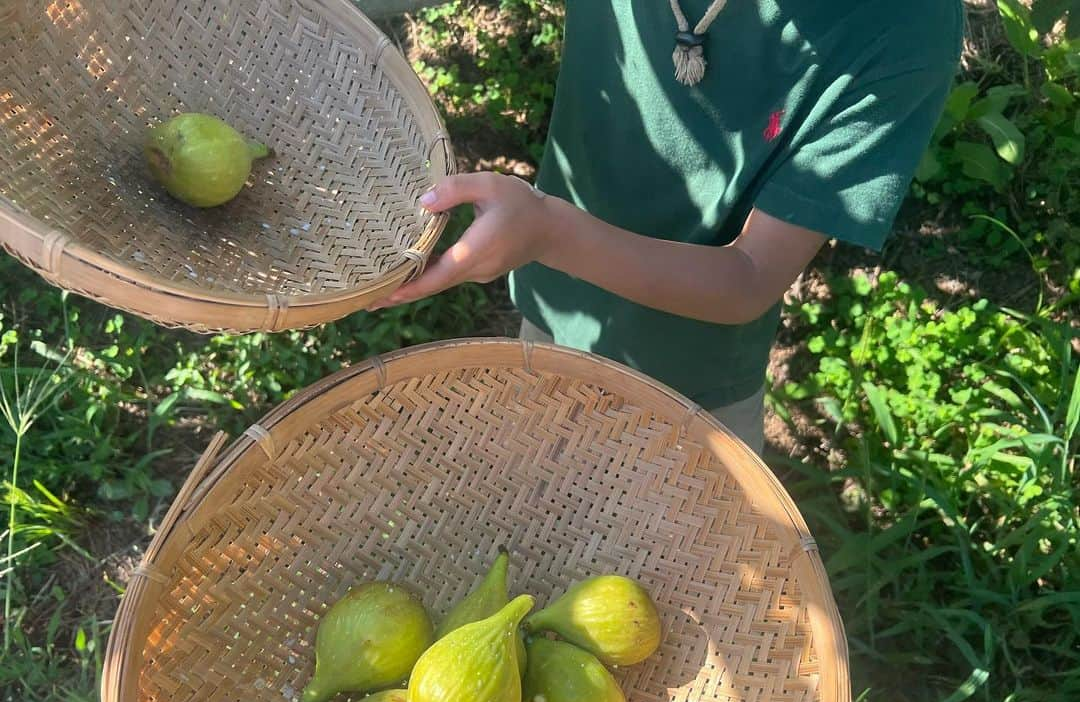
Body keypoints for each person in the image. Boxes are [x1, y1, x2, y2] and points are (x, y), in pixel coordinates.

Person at [367, 0, 964, 455]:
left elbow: (750, 275)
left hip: (697, 389)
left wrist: (549, 233)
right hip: (551, 313)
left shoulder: (903, 23)